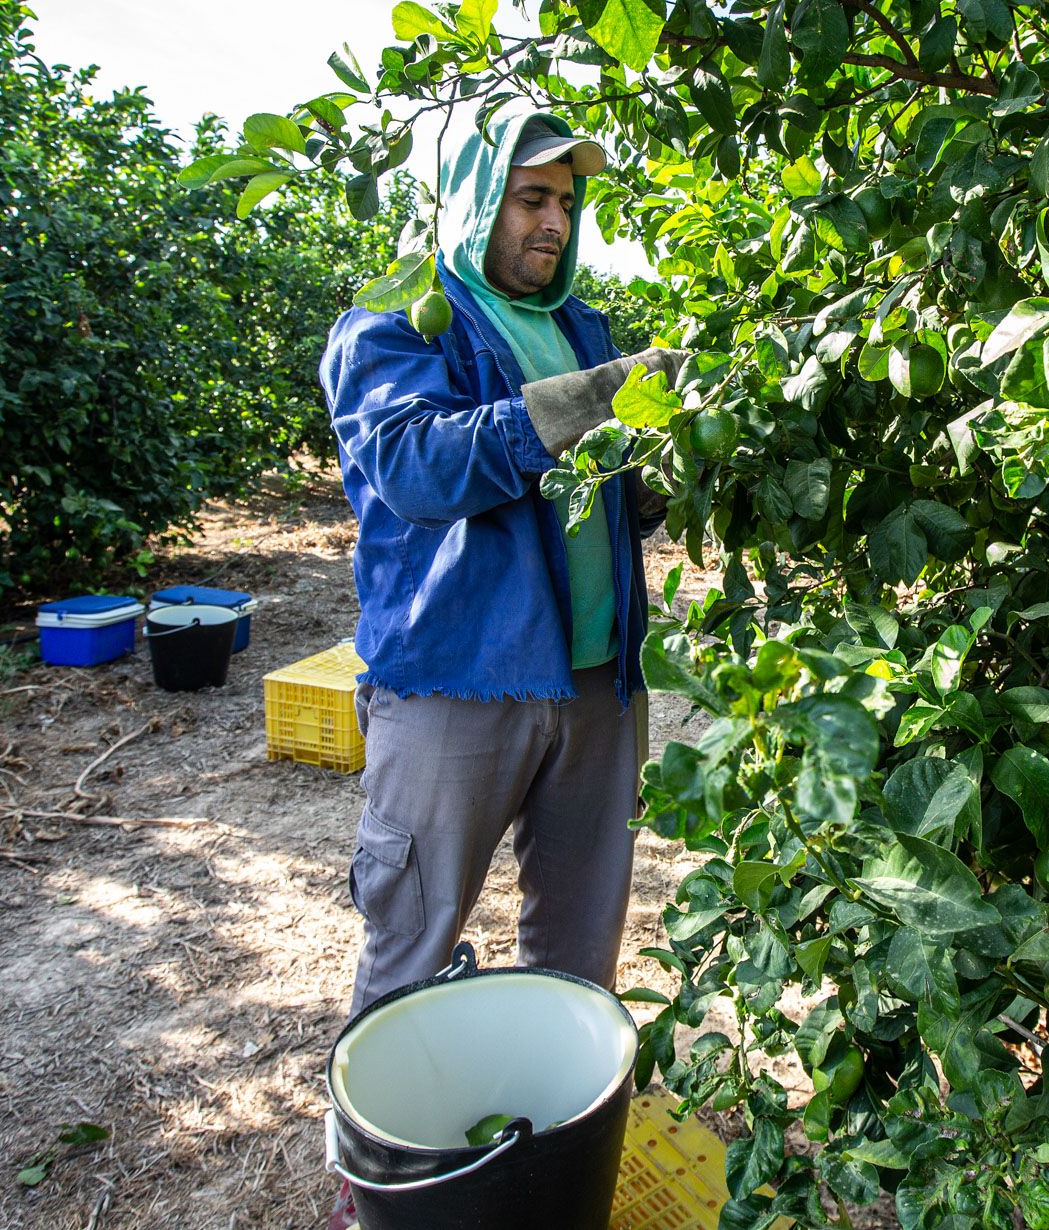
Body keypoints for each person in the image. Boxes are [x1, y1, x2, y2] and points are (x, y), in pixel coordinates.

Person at [316, 111, 682, 1230]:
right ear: (477, 201)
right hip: (457, 683)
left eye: (567, 203)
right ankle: (375, 1188)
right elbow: (422, 468)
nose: (554, 223)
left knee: (580, 944)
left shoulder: (582, 325)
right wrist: (596, 400)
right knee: (413, 938)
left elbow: (619, 493)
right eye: (532, 199)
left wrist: (669, 459)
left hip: (590, 685)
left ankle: (539, 1169)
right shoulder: (396, 322)